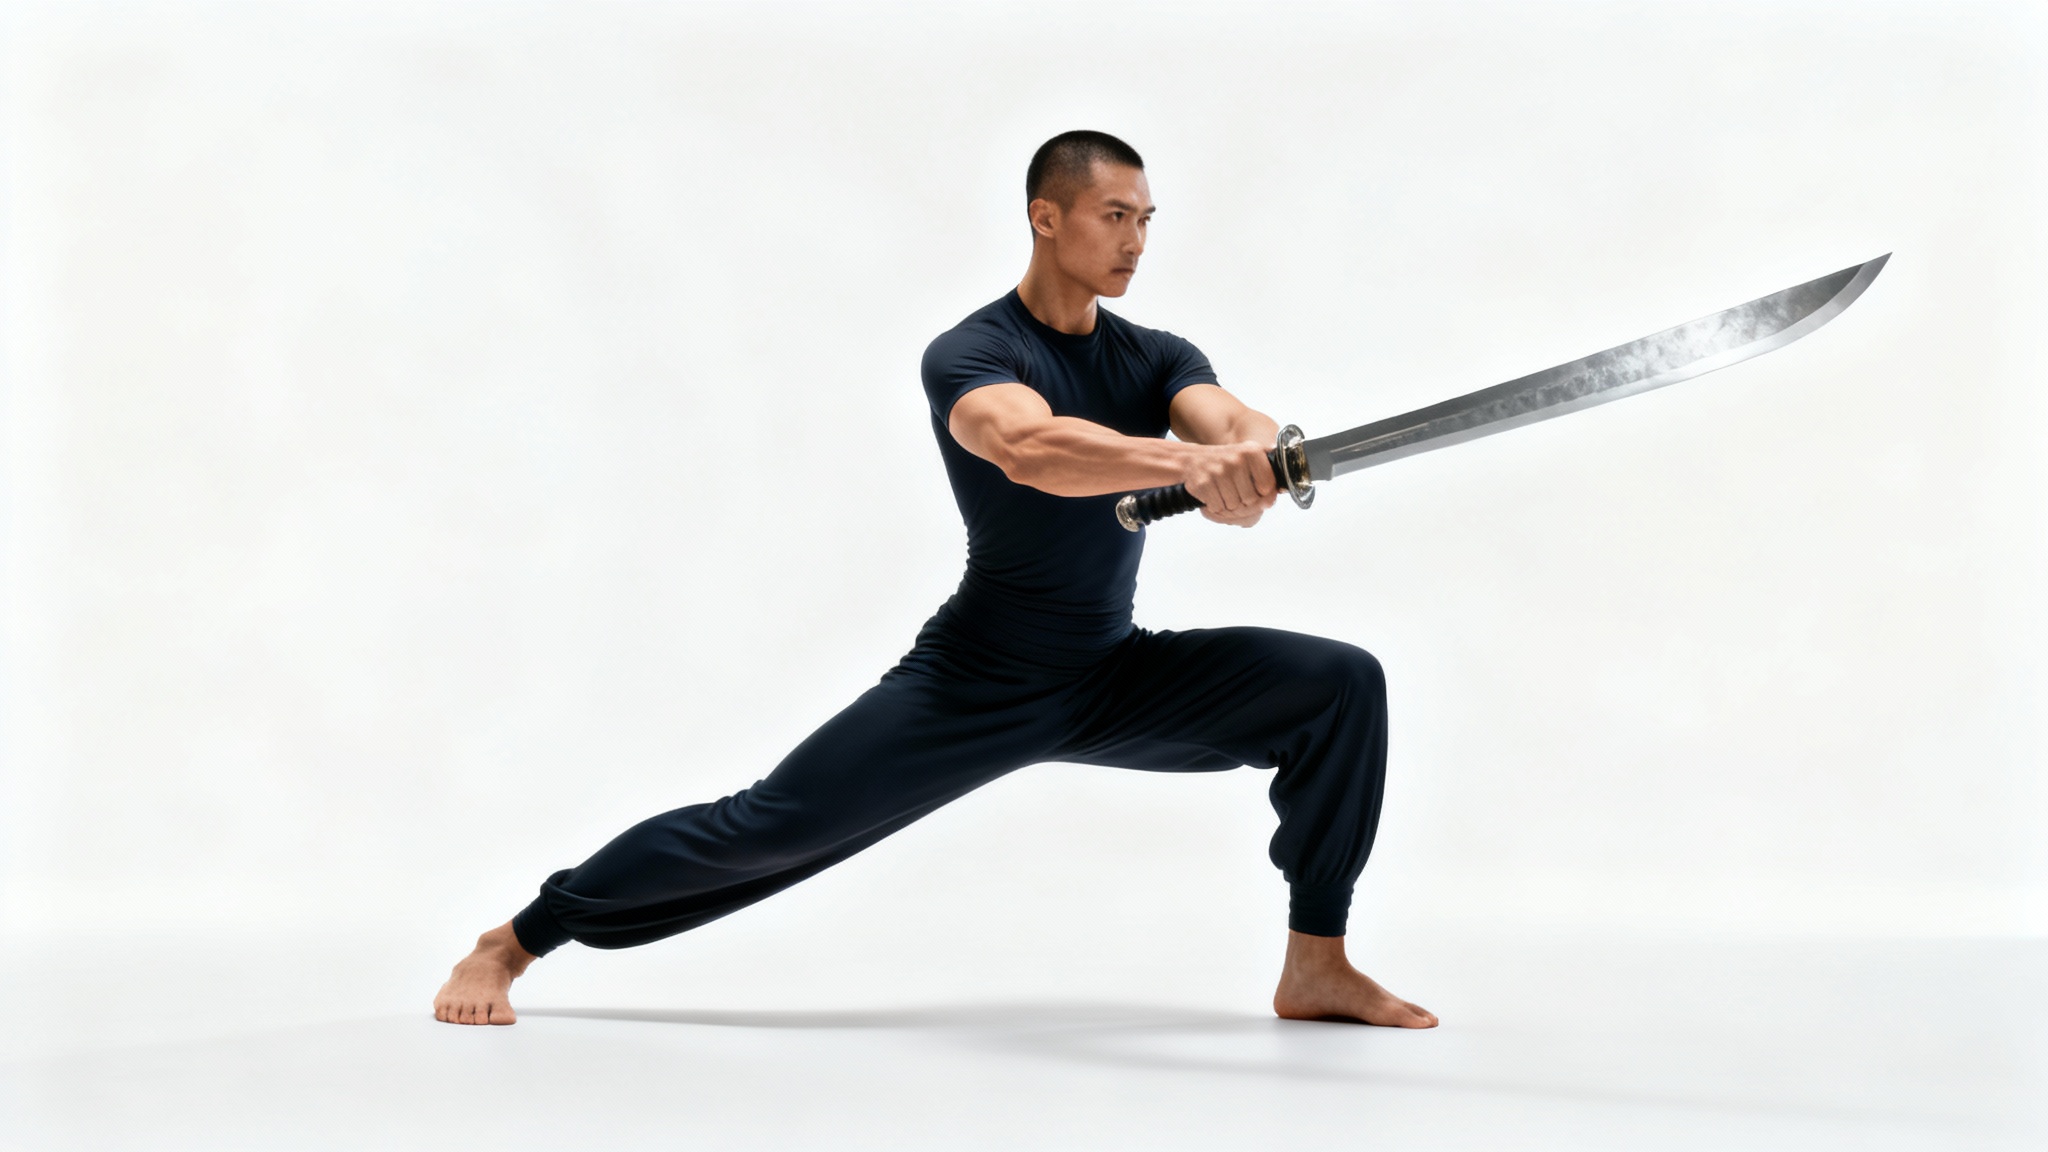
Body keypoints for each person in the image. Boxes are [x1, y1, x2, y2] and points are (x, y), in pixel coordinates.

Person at [435, 131, 1436, 1030]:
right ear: (1046, 218)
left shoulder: (1155, 354)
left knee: (1339, 683)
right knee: (761, 828)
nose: (1135, 240)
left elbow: (1228, 418)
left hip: (1105, 675)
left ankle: (1316, 964)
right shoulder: (971, 352)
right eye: (1113, 216)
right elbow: (1034, 448)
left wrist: (1251, 457)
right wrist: (1182, 467)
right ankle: (516, 938)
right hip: (974, 680)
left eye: (1145, 220)